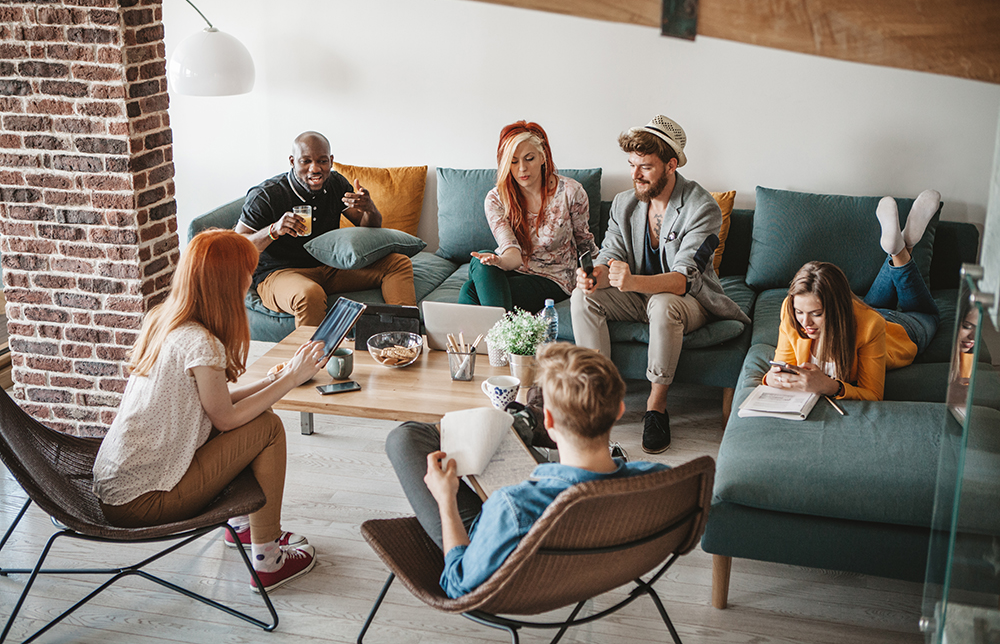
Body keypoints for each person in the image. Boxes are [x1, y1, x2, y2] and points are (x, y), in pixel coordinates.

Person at [92, 230, 327, 593]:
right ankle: (267, 560)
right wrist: (292, 378)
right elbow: (226, 419)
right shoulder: (202, 342)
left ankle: (245, 528)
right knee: (268, 427)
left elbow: (214, 402)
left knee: (257, 420)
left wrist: (272, 380)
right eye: (248, 270)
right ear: (228, 280)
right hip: (144, 501)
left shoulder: (167, 320)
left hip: (120, 485)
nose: (253, 276)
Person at [384, 343, 667, 598]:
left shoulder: (511, 506)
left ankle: (524, 418)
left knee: (405, 438)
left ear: (550, 421)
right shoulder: (658, 480)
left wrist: (446, 500)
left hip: (509, 559)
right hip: (584, 560)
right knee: (505, 439)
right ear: (619, 410)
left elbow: (458, 584)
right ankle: (522, 420)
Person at [570, 115, 749, 454]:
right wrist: (595, 276)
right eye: (631, 165)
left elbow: (684, 280)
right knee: (583, 297)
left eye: (645, 167)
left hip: (691, 301)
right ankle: (599, 398)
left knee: (663, 303)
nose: (635, 175)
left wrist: (632, 280)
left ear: (670, 165)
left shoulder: (703, 207)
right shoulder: (624, 204)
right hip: (637, 297)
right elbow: (610, 255)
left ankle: (656, 407)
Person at [765, 190, 943, 401]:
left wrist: (830, 386)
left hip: (904, 327)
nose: (805, 322)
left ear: (839, 306)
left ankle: (901, 248)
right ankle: (899, 248)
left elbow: (873, 394)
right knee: (870, 305)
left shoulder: (869, 326)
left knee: (925, 312)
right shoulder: (790, 310)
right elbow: (781, 364)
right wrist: (771, 379)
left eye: (817, 313)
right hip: (867, 310)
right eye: (799, 311)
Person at [235, 131, 416, 327]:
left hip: (328, 266)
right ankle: (312, 357)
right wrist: (274, 229)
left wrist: (369, 208)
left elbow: (369, 227)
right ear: (292, 161)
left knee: (397, 263)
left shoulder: (335, 183)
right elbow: (237, 246)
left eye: (322, 161)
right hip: (280, 272)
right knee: (309, 293)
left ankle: (403, 337)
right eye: (305, 161)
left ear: (330, 160)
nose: (315, 168)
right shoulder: (267, 195)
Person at [458, 121, 597, 313]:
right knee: (479, 264)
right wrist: (498, 261)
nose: (522, 168)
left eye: (529, 158)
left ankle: (498, 335)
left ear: (542, 157)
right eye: (513, 162)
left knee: (470, 291)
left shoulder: (570, 192)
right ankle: (505, 334)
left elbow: (584, 242)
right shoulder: (496, 199)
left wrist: (599, 270)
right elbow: (512, 255)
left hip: (554, 279)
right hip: (514, 269)